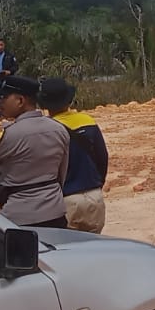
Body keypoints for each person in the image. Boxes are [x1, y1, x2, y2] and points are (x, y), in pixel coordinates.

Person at [0, 75, 70, 228]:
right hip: (55, 211)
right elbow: (61, 174)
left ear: (20, 101)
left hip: (19, 215)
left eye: (4, 97)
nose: (0, 102)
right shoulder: (59, 129)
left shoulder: (5, 135)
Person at [40, 77, 110, 233]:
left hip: (66, 199)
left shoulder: (47, 129)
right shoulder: (88, 121)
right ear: (69, 100)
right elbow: (102, 158)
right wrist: (97, 183)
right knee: (93, 248)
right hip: (94, 195)